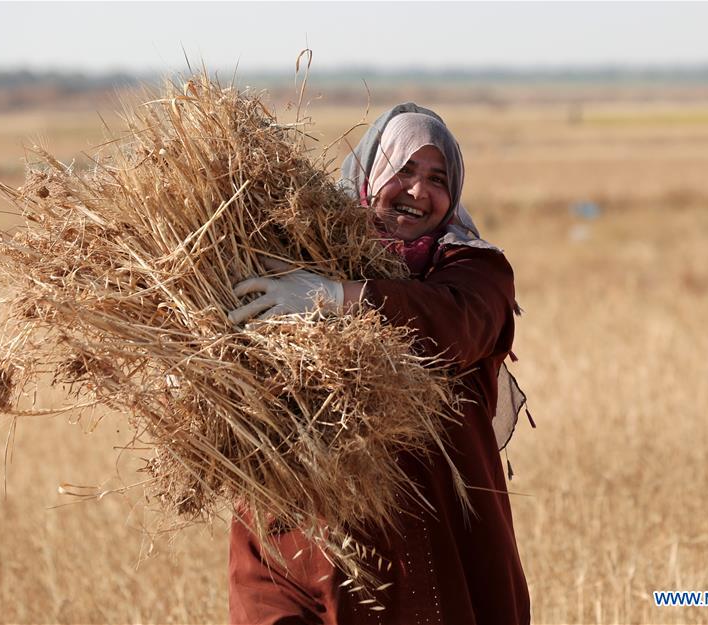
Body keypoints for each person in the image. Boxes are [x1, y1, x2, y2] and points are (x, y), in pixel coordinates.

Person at [227, 103, 530, 625]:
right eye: (404, 170)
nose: (418, 191)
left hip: (440, 542)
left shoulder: (473, 268)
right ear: (370, 175)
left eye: (437, 178)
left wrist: (334, 298)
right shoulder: (300, 257)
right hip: (307, 538)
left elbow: (454, 324)